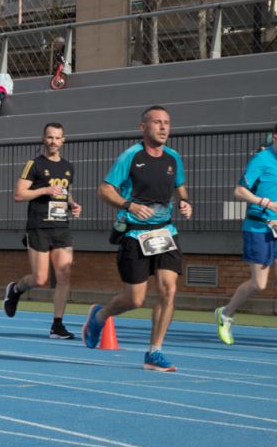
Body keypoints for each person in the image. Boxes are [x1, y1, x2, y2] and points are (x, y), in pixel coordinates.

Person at [82, 106, 194, 372]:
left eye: (167, 122)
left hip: (165, 232)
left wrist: (185, 202)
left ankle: (154, 352)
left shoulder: (173, 157)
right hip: (134, 234)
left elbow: (180, 186)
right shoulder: (130, 157)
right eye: (157, 122)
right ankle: (100, 315)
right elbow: (104, 190)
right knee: (135, 300)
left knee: (169, 289)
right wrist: (129, 205)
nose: (164, 127)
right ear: (143, 127)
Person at [214, 121, 277, 354]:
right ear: (275, 138)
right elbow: (239, 191)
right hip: (258, 227)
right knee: (258, 283)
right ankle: (226, 313)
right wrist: (266, 203)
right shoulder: (260, 160)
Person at [3, 123, 83, 338]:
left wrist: (73, 205)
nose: (53, 141)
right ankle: (16, 290)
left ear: (63, 140)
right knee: (40, 279)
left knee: (64, 275)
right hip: (39, 226)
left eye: (57, 138)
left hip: (61, 227)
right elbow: (19, 195)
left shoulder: (68, 167)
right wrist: (45, 189)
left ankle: (57, 324)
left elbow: (66, 194)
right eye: (50, 137)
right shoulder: (34, 164)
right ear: (43, 139)